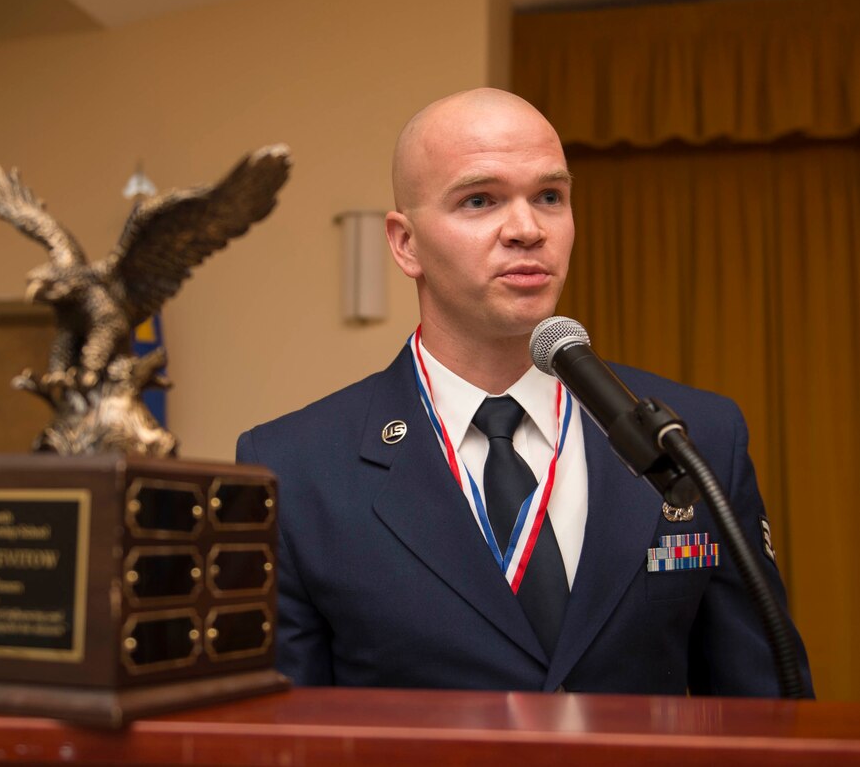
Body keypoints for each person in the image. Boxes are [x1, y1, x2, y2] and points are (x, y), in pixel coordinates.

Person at [236, 88, 813, 696]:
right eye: (480, 200)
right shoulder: (294, 468)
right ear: (406, 244)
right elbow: (284, 737)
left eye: (549, 197)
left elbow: (769, 710)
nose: (527, 229)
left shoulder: (696, 436)